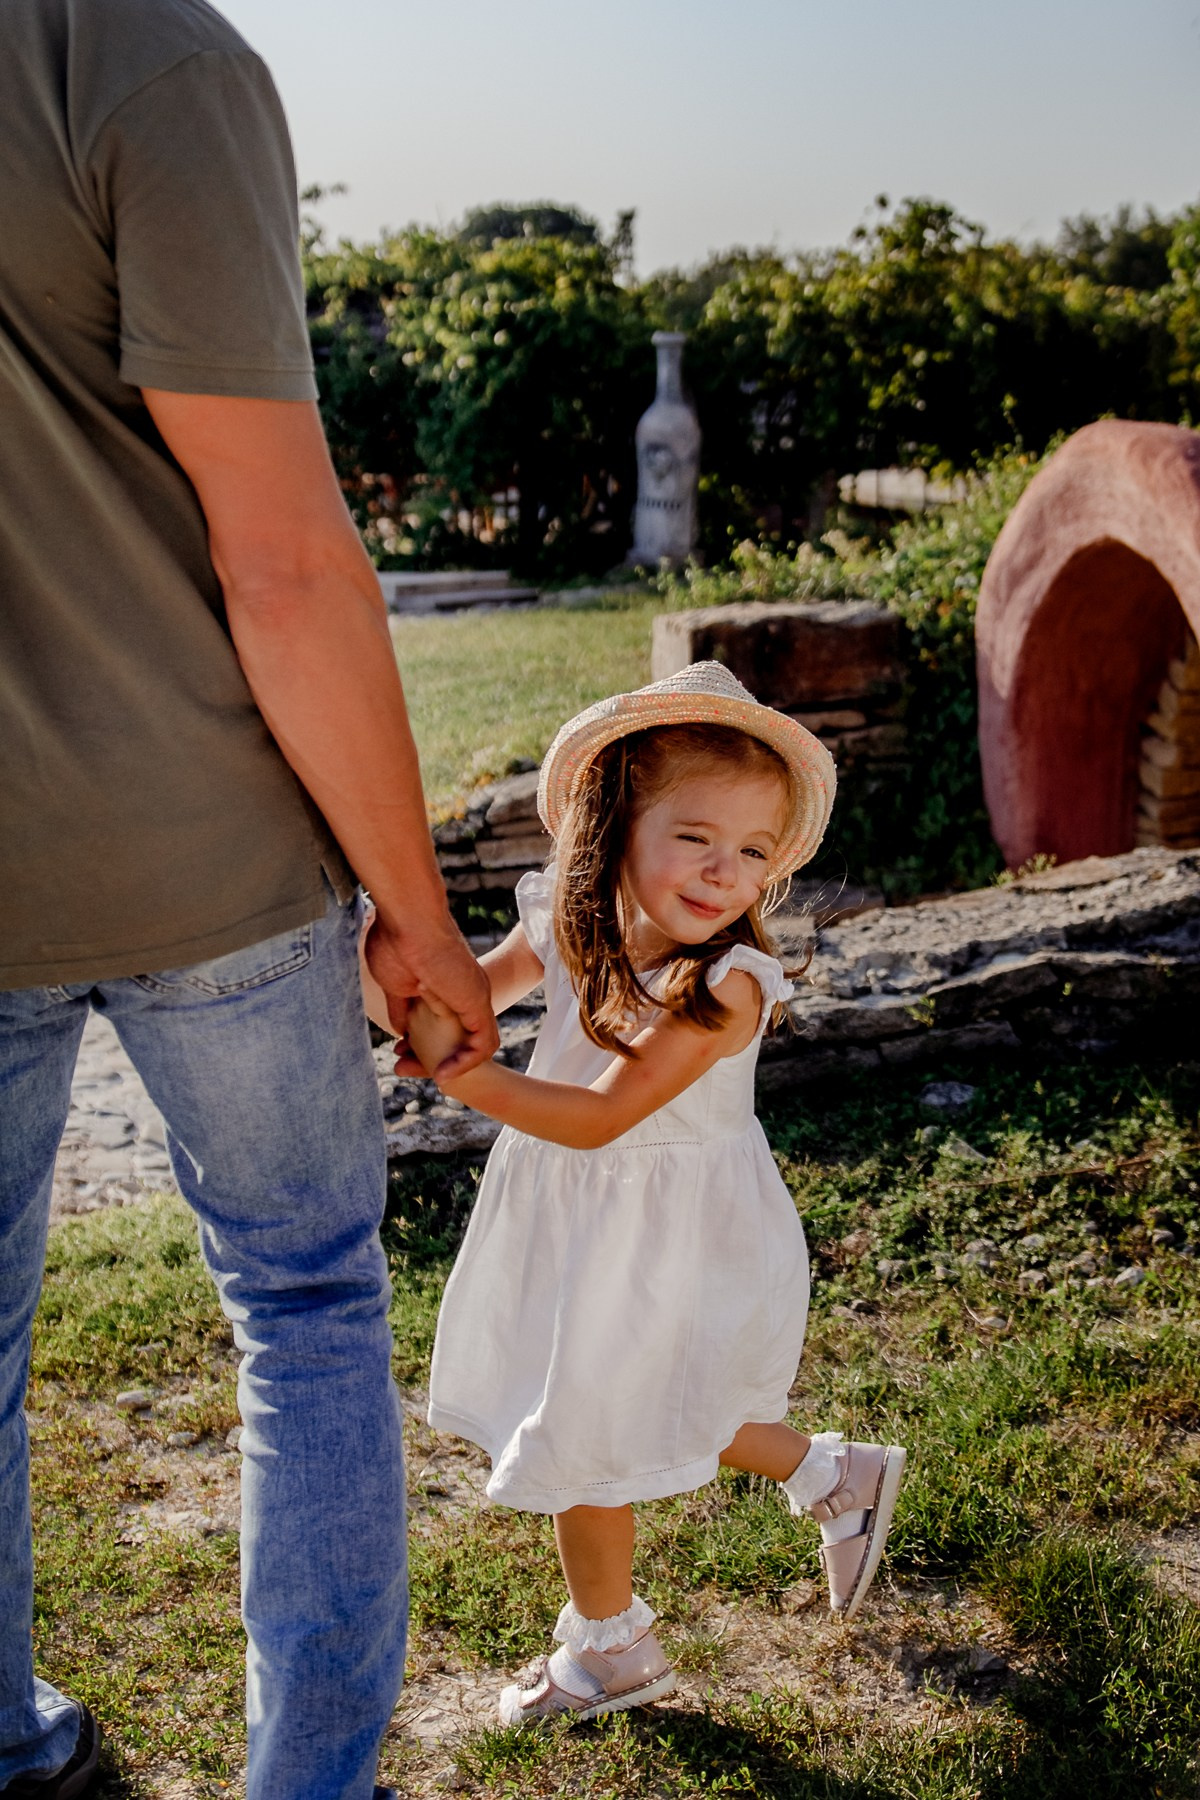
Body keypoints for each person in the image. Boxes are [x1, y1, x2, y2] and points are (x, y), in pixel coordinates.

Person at [0, 1, 495, 1795]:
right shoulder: (146, 61)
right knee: (304, 1303)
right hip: (205, 850)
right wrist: (417, 916)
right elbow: (284, 559)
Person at [386, 662, 909, 1726]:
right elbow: (462, 996)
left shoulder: (725, 984)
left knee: (589, 1421)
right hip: (581, 1218)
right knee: (652, 1400)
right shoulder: (569, 926)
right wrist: (391, 977)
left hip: (673, 1229)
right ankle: (832, 1473)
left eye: (754, 852)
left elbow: (600, 1117)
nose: (726, 873)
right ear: (615, 823)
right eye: (696, 837)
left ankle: (611, 1652)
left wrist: (462, 1073)